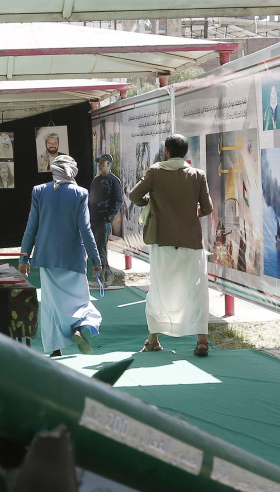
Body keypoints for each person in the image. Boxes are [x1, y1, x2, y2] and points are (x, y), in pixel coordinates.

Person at [129, 134, 215, 357]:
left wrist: (150, 203)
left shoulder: (155, 172)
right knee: (196, 288)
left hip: (162, 240)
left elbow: (134, 195)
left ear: (166, 151)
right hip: (191, 241)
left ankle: (153, 340)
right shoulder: (198, 175)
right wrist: (188, 212)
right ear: (185, 153)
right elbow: (206, 209)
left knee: (159, 288)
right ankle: (202, 341)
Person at [17, 154, 101, 357]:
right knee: (81, 301)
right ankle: (80, 327)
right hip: (73, 257)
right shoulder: (80, 193)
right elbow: (86, 229)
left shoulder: (39, 191)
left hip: (47, 257)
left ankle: (56, 349)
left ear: (53, 170)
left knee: (51, 305)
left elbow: (31, 227)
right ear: (73, 171)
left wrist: (23, 258)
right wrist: (96, 260)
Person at [88, 153, 124, 284]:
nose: (99, 165)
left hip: (104, 220)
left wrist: (109, 217)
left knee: (100, 248)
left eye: (102, 162)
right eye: (98, 162)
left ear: (109, 164)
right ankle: (106, 276)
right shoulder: (96, 180)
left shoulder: (114, 181)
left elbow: (118, 201)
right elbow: (90, 200)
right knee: (95, 248)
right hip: (93, 219)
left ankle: (100, 278)